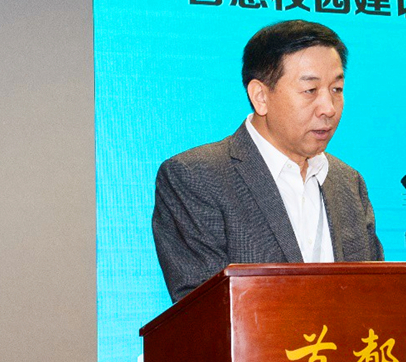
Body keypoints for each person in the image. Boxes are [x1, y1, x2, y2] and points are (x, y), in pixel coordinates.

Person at [152, 20, 383, 302]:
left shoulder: (348, 182)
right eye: (310, 90)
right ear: (260, 96)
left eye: (336, 89)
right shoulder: (197, 177)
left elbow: (375, 297)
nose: (328, 108)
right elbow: (207, 308)